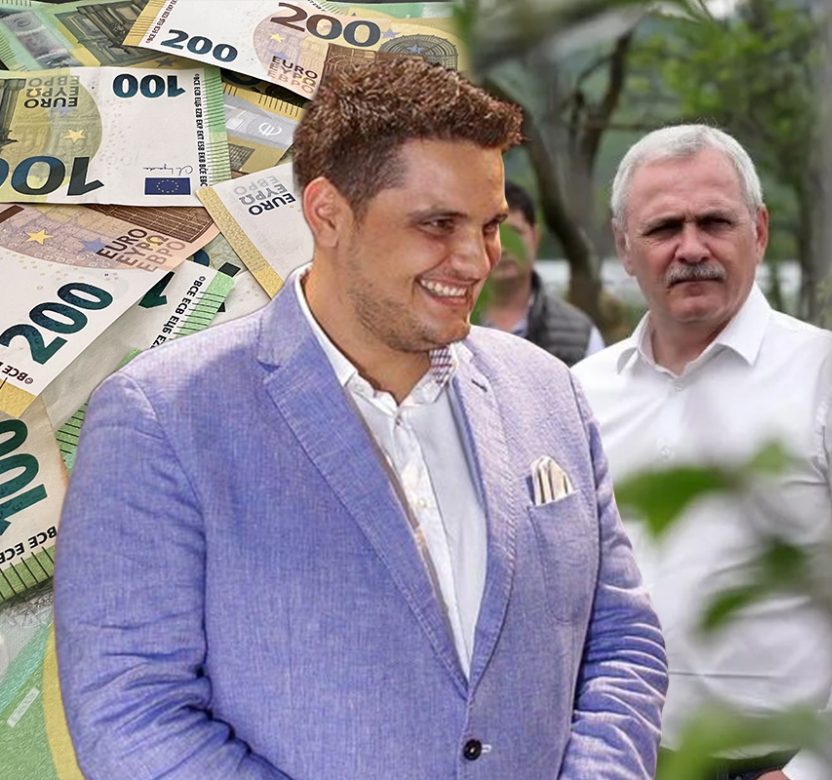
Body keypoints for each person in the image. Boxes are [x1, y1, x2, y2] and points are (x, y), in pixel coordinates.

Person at [53, 57, 667, 780]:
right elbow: (129, 714)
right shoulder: (162, 418)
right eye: (438, 224)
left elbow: (621, 639)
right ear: (327, 214)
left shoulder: (548, 390)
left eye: (490, 225)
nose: (477, 260)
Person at [573, 124, 832, 780]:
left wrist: (819, 769)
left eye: (715, 221)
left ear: (760, 230)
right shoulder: (580, 392)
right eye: (664, 228)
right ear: (624, 247)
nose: (692, 248)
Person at [480, 180, 605, 365]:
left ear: (535, 237)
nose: (504, 248)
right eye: (493, 234)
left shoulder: (580, 335)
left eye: (514, 233)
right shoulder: (450, 325)